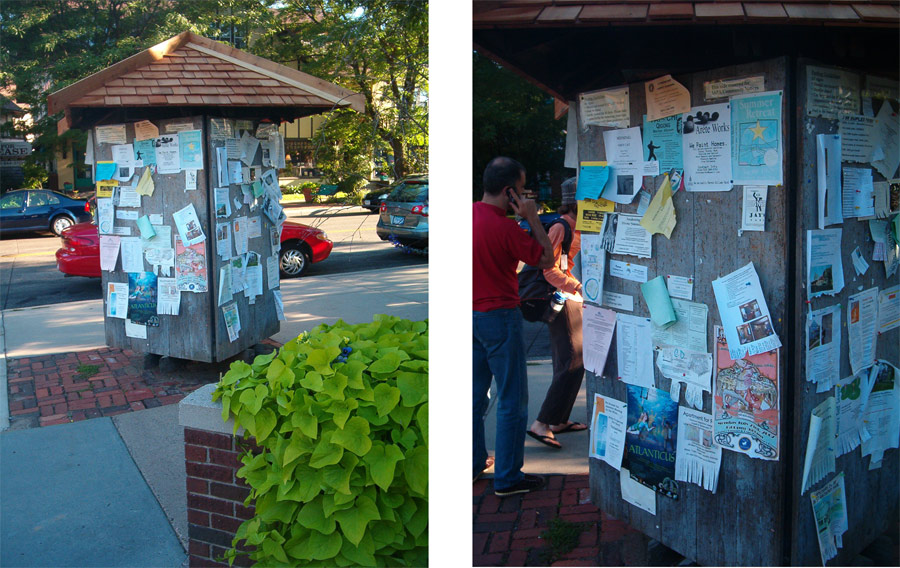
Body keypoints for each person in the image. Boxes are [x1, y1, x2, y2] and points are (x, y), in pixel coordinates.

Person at [473, 157, 553, 496]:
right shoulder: (507, 229)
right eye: (521, 191)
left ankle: (473, 464)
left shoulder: (468, 215)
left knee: (474, 397)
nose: (525, 197)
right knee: (512, 400)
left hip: (468, 316)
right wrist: (533, 218)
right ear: (510, 191)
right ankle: (508, 477)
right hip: (500, 317)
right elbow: (546, 260)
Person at [527, 178, 586, 449]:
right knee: (573, 361)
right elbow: (549, 269)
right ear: (577, 201)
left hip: (574, 299)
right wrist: (579, 287)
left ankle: (558, 420)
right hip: (564, 300)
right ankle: (541, 423)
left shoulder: (579, 225)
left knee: (571, 361)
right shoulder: (562, 226)